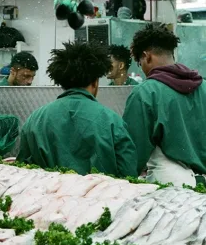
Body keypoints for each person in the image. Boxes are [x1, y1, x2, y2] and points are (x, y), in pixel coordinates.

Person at [123, 23, 206, 189]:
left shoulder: (146, 92)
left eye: (140, 62)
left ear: (146, 56)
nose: (142, 69)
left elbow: (133, 151)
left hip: (169, 189)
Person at [18, 41, 137, 177]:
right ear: (95, 82)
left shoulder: (34, 120)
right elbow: (129, 175)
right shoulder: (113, 122)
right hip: (100, 197)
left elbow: (23, 172)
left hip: (50, 197)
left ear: (62, 81)